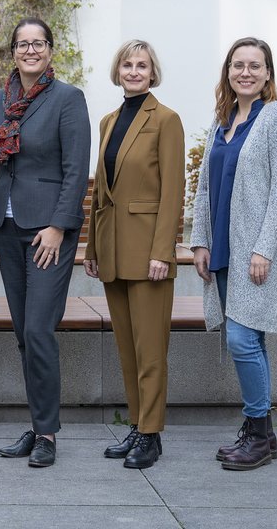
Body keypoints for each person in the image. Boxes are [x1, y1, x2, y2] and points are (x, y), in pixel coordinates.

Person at [0, 17, 91, 468]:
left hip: (48, 233)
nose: (30, 50)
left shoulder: (68, 99)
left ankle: (47, 433)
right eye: (22, 44)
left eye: (38, 43)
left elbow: (75, 168)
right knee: (24, 333)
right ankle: (37, 421)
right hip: (6, 229)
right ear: (13, 52)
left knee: (39, 330)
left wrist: (60, 226)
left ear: (50, 49)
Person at [190, 37, 277, 471]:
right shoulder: (222, 122)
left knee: (241, 339)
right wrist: (199, 240)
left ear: (268, 73)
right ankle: (263, 437)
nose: (246, 73)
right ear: (228, 72)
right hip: (222, 249)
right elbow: (202, 188)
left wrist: (263, 249)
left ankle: (256, 431)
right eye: (238, 65)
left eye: (256, 66)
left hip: (256, 252)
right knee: (248, 337)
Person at [84, 40, 185, 469]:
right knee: (127, 347)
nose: (134, 71)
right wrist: (91, 246)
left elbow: (172, 193)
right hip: (112, 249)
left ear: (152, 72)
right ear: (118, 70)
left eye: (141, 65)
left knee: (150, 349)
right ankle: (137, 425)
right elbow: (101, 192)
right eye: (127, 64)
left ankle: (152, 433)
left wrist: (162, 251)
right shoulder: (109, 120)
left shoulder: (166, 120)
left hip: (148, 254)